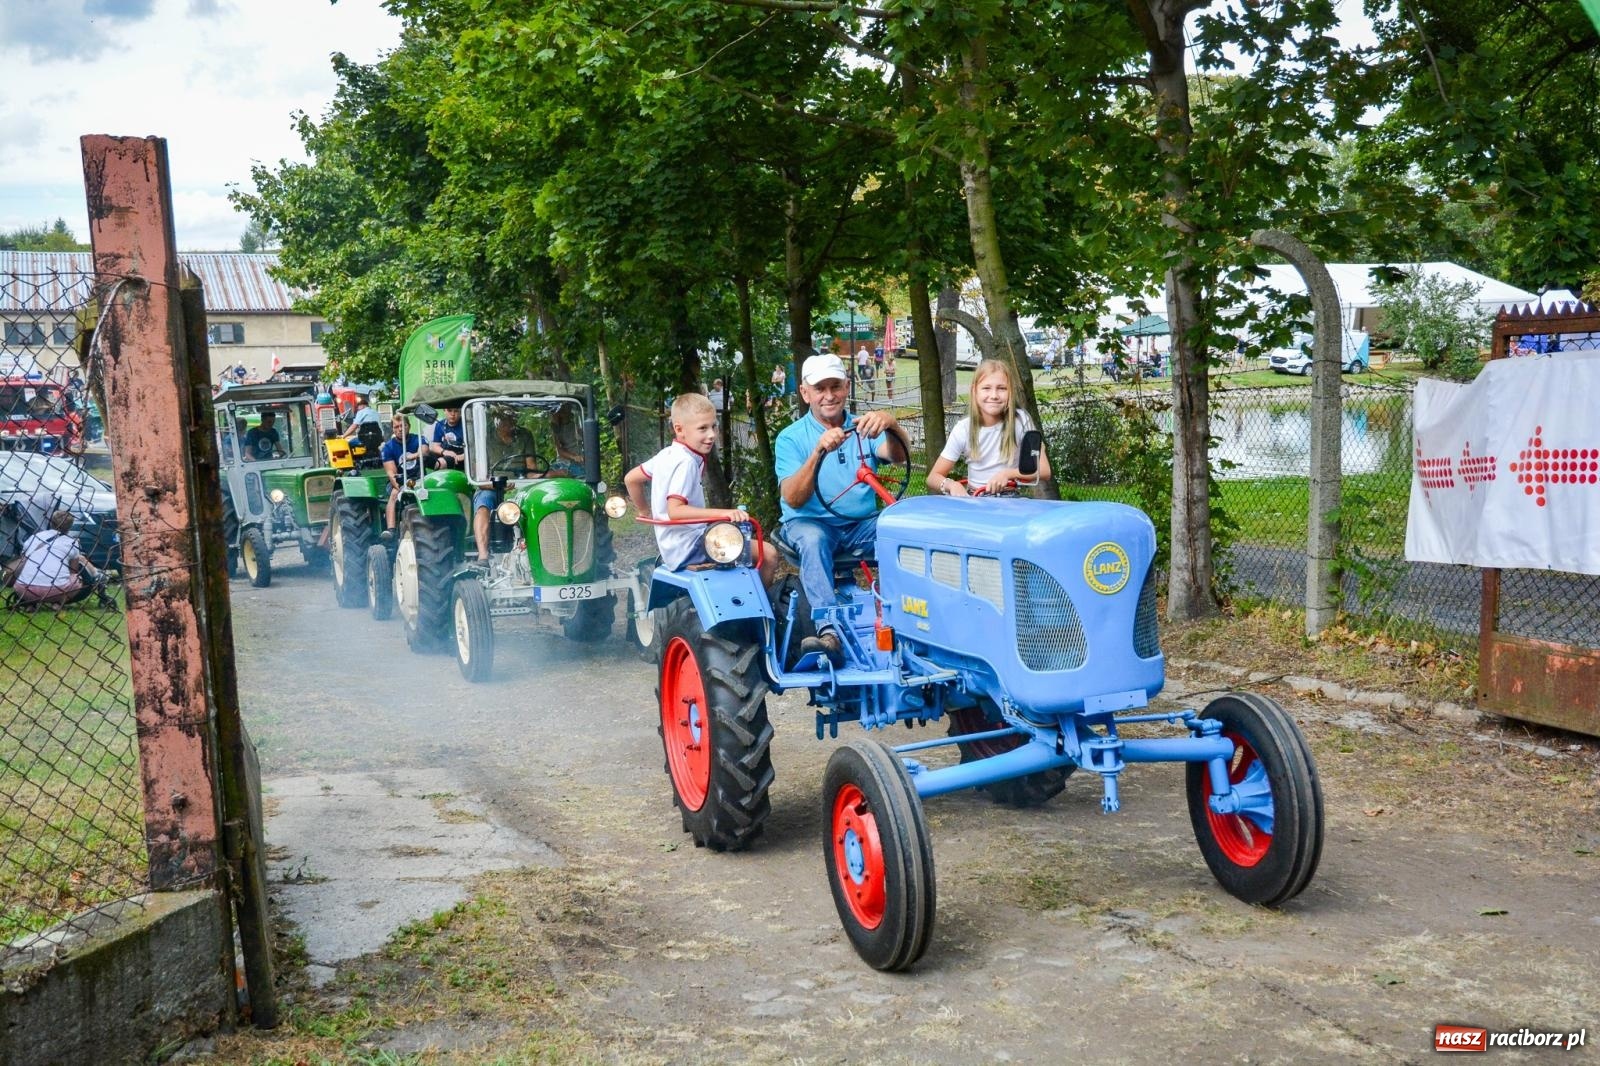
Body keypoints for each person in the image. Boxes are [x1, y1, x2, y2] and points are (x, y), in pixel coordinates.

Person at [775, 353, 907, 662]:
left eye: (835, 386)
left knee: (903, 527)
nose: (829, 396)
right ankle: (829, 631)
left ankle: (904, 616)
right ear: (805, 393)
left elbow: (898, 456)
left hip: (859, 525)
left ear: (847, 387)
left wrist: (891, 425)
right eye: (820, 388)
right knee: (813, 539)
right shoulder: (791, 438)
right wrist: (819, 451)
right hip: (810, 523)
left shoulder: (864, 428)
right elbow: (793, 498)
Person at [624, 393, 777, 582]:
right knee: (768, 553)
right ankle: (762, 609)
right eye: (702, 428)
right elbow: (676, 511)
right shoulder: (686, 462)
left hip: (673, 546)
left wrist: (644, 511)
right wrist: (725, 513)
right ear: (679, 430)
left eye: (714, 426)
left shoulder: (667, 454)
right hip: (690, 546)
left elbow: (631, 479)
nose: (711, 434)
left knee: (734, 537)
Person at [926, 358, 1052, 497]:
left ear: (1010, 392)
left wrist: (1007, 474)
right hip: (976, 498)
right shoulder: (963, 429)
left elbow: (1044, 470)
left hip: (1011, 498)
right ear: (975, 391)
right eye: (986, 388)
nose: (994, 395)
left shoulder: (1021, 421)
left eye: (1002, 388)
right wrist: (952, 485)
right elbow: (933, 477)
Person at [470, 412, 539, 562]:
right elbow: (478, 476)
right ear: (496, 418)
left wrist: (550, 476)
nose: (509, 421)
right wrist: (495, 486)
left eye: (512, 417)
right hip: (491, 487)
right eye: (504, 418)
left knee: (538, 503)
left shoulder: (524, 435)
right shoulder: (484, 437)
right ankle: (483, 555)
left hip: (520, 485)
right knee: (483, 505)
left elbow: (531, 468)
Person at [9, 511, 112, 609]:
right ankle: (59, 602)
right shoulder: (71, 542)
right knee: (76, 577)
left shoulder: (34, 537)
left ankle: (30, 603)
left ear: (51, 521)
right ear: (70, 526)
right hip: (56, 590)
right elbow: (73, 570)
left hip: (23, 589)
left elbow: (24, 558)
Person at [378, 415, 425, 541]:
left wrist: (413, 456)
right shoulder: (388, 447)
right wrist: (400, 485)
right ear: (393, 429)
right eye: (396, 427)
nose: (400, 429)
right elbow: (391, 472)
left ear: (408, 426)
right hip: (399, 481)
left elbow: (424, 451)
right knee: (394, 494)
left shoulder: (418, 439)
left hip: (420, 478)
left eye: (402, 426)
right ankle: (391, 530)